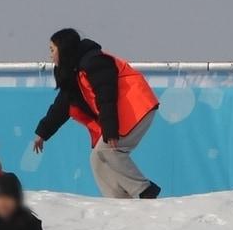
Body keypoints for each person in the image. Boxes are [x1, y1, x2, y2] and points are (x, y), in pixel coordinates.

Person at [32, 28, 160, 200]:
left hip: (137, 107)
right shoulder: (73, 72)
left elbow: (106, 97)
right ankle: (118, 201)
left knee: (108, 150)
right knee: (97, 157)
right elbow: (61, 106)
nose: (50, 55)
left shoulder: (94, 61)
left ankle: (144, 190)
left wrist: (110, 130)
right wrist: (43, 133)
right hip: (123, 114)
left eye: (52, 49)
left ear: (63, 49)